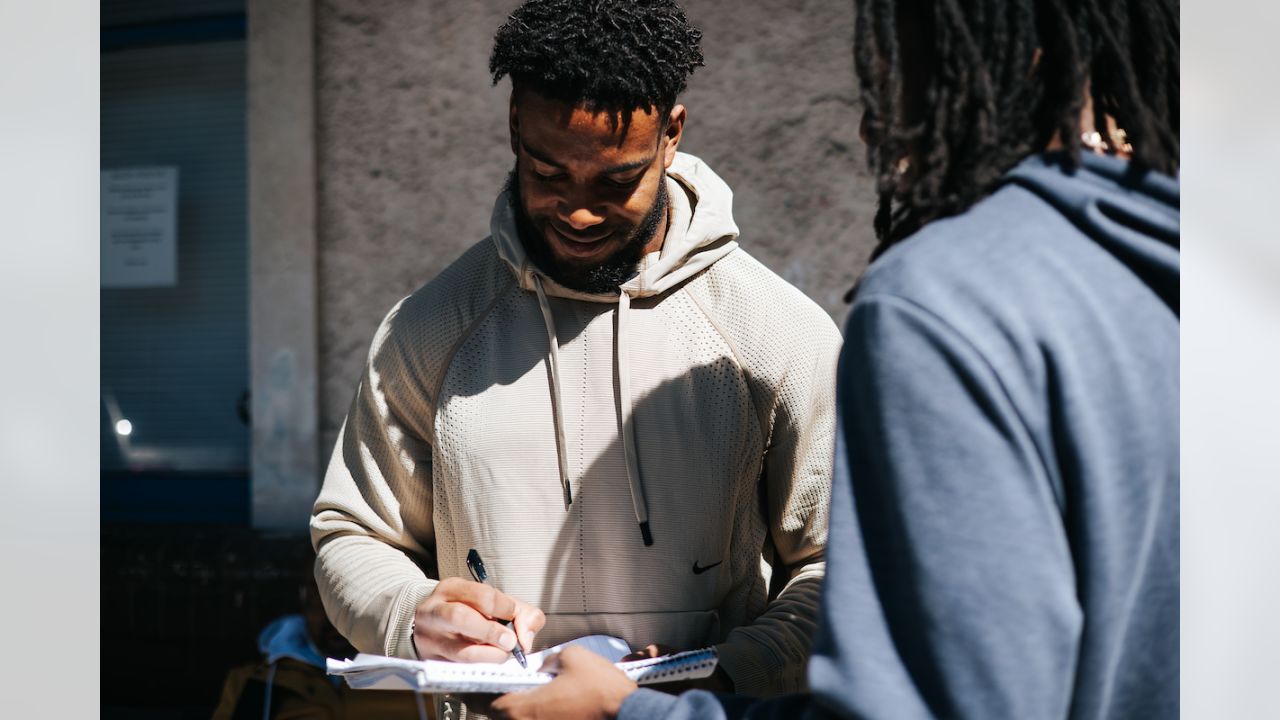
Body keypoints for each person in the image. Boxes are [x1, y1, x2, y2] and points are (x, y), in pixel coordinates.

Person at [488, 0, 1179, 718]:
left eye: (885, 74)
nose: (867, 125)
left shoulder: (940, 305)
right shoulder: (1196, 270)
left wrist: (630, 712)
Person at [310, 0, 842, 713]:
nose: (580, 212)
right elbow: (351, 535)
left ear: (672, 135)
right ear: (513, 129)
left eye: (617, 181)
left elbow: (836, 568)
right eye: (549, 173)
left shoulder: (775, 333)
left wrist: (728, 678)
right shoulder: (430, 329)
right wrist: (412, 616)